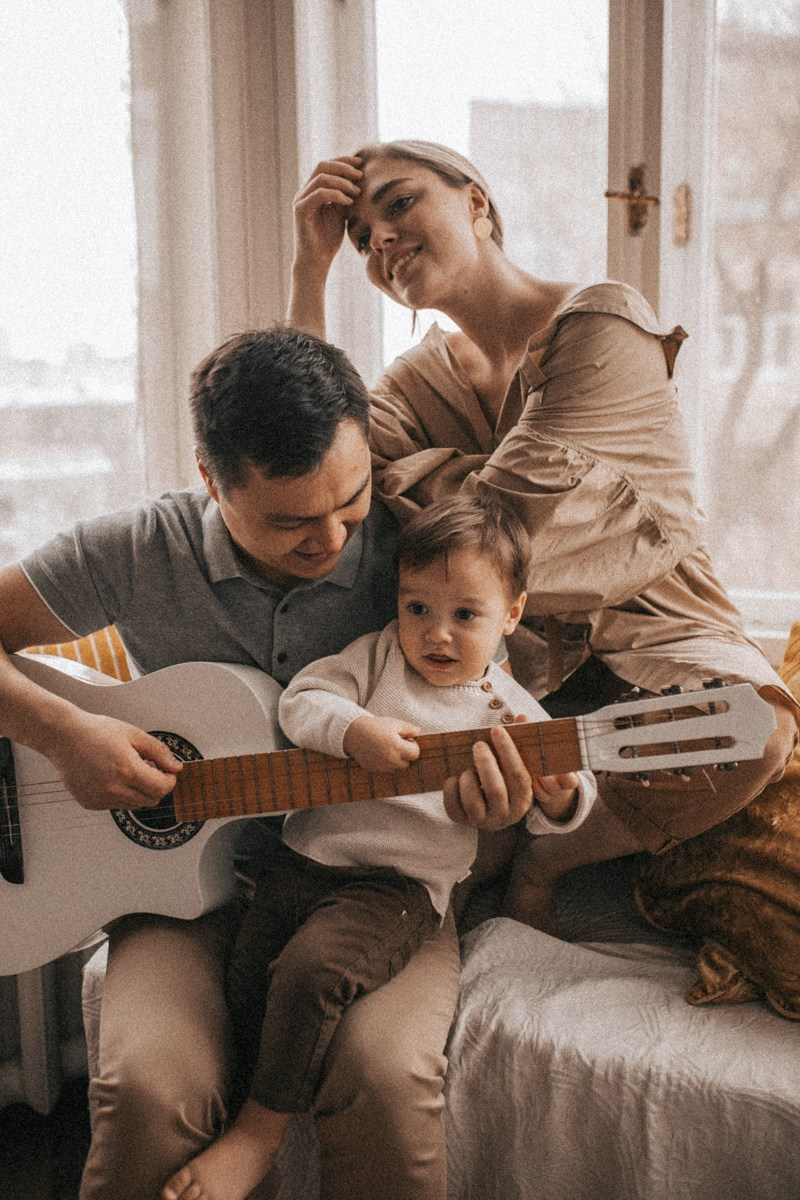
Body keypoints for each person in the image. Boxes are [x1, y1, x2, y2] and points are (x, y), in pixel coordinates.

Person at [0, 326, 534, 1200]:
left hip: (372, 878)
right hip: (175, 893)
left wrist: (504, 808)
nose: (331, 539)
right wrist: (64, 734)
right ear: (212, 482)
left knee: (387, 1080)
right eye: (290, 520)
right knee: (148, 1091)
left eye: (350, 501)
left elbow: (487, 702)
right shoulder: (137, 549)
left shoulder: (419, 554)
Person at [287, 139, 799, 932]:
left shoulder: (600, 321)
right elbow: (316, 462)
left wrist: (417, 481)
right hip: (508, 657)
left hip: (659, 622)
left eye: (397, 203)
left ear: (478, 203)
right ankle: (501, 838)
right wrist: (308, 270)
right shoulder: (413, 381)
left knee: (757, 727)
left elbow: (505, 531)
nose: (379, 239)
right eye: (357, 236)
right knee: (421, 818)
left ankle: (551, 855)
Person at [163, 492, 596, 1200]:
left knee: (309, 972)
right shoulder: (376, 658)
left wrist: (562, 797)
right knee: (246, 973)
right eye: (416, 607)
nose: (436, 634)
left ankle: (259, 1135)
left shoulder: (510, 711)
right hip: (300, 862)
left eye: (466, 615)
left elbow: (573, 788)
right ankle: (248, 1120)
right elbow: (301, 701)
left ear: (512, 614)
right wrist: (354, 730)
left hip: (397, 890)